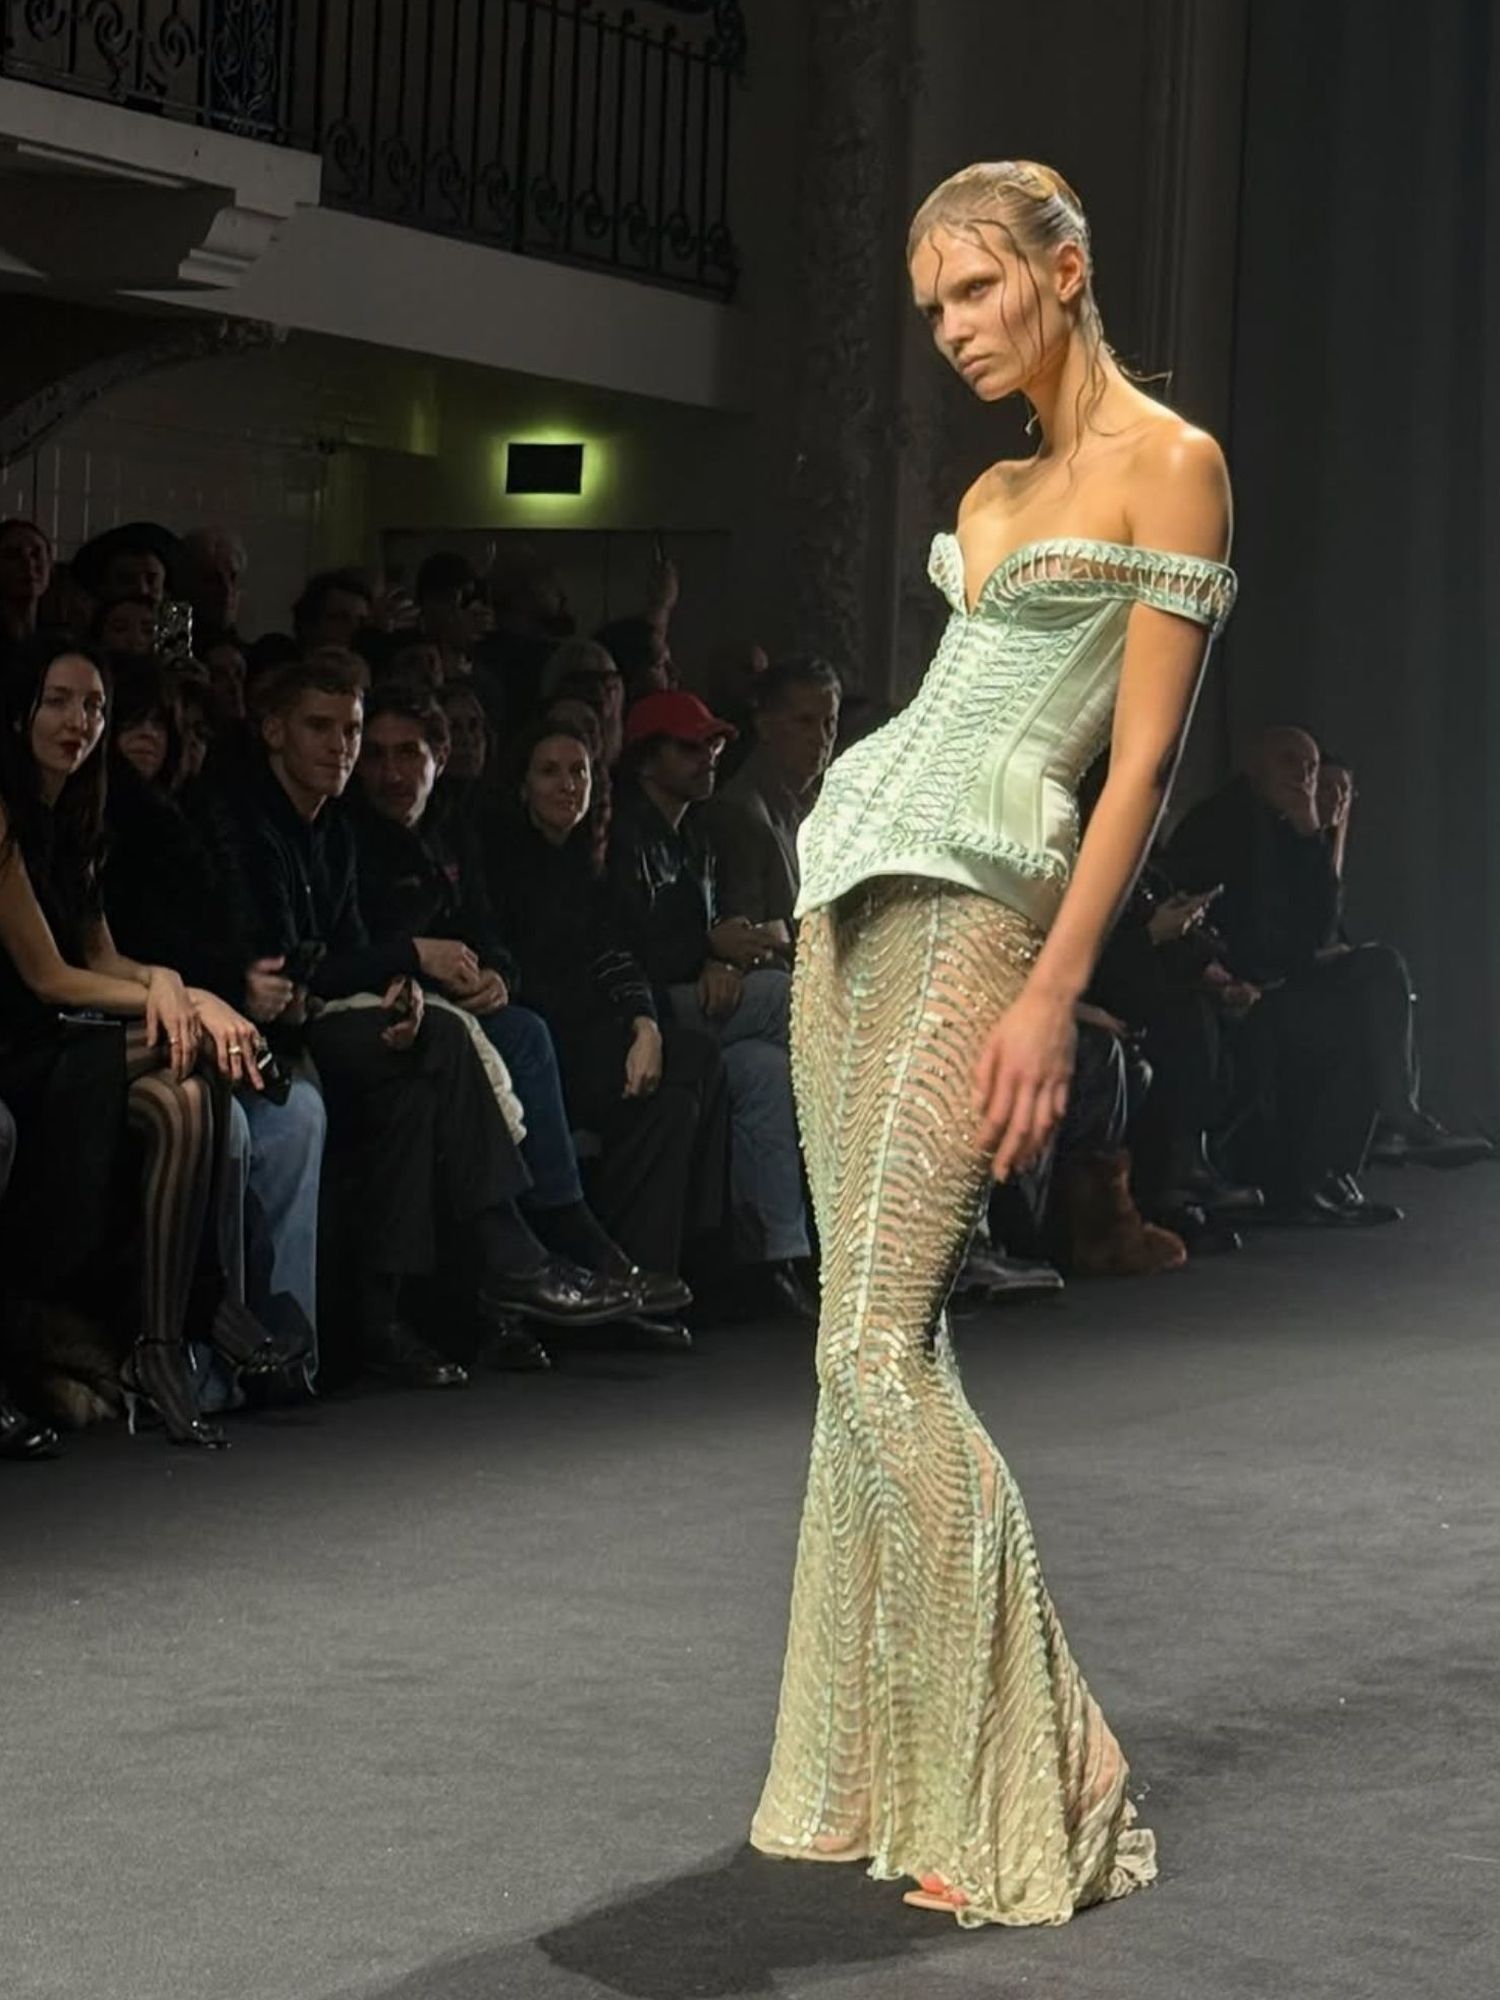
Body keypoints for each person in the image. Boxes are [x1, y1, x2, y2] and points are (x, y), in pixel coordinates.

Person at [750, 161, 1237, 1925]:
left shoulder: (1169, 465)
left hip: (975, 910)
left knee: (880, 1348)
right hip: (846, 890)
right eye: (931, 306)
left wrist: (1051, 986)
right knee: (854, 1352)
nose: (952, 330)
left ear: (1064, 269)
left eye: (974, 291)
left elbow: (1141, 767)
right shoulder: (993, 484)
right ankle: (907, 1775)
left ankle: (1058, 1775)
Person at [199, 653, 637, 1389]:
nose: (339, 746)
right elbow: (281, 972)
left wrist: (397, 978)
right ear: (273, 731)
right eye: (321, 728)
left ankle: (381, 1323)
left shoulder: (332, 827)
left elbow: (340, 955)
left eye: (350, 729)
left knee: (416, 1088)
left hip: (327, 1020)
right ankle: (513, 1256)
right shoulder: (240, 818)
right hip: (256, 1031)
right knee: (439, 1037)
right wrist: (405, 959)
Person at [0, 635, 277, 1449]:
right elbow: (49, 977)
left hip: (63, 1041)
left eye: (93, 706)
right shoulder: (5, 812)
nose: (78, 722)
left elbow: (104, 957)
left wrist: (173, 985)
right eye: (58, 702)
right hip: (17, 1047)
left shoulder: (77, 814)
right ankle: (200, 1309)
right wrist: (184, 997)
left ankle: (163, 1346)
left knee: (182, 1092)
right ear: (20, 713)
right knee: (182, 1052)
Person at [348, 685, 691, 1330]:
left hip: (493, 1010)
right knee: (534, 1037)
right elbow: (350, 946)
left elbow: (506, 936)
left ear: (438, 757)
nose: (391, 772)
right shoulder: (398, 835)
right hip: (422, 1014)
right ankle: (568, 1238)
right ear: (521, 783)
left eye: (409, 754)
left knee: (682, 1077)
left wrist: (500, 974)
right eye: (375, 755)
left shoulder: (461, 831)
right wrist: (445, 967)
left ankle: (623, 1279)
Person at [491, 719, 731, 1290]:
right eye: (549, 771)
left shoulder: (585, 861)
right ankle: (660, 1264)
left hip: (592, 1035)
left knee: (675, 1093)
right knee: (689, 1063)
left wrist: (643, 1024)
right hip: (543, 1044)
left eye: (578, 771)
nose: (567, 784)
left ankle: (647, 1273)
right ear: (522, 784)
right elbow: (531, 975)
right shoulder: (504, 861)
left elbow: (614, 954)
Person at [610, 690, 814, 1319]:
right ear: (648, 759)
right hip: (638, 1008)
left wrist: (719, 958)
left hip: (694, 996)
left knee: (764, 1071)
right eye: (690, 746)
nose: (708, 757)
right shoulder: (623, 832)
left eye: (715, 744)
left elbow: (708, 935)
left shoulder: (693, 835)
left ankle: (771, 1257)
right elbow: (628, 941)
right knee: (792, 1002)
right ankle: (874, 1206)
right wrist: (708, 951)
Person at [700, 656, 842, 943]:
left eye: (829, 722)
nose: (821, 737)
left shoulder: (822, 807)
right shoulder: (740, 813)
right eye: (805, 722)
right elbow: (749, 934)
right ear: (765, 726)